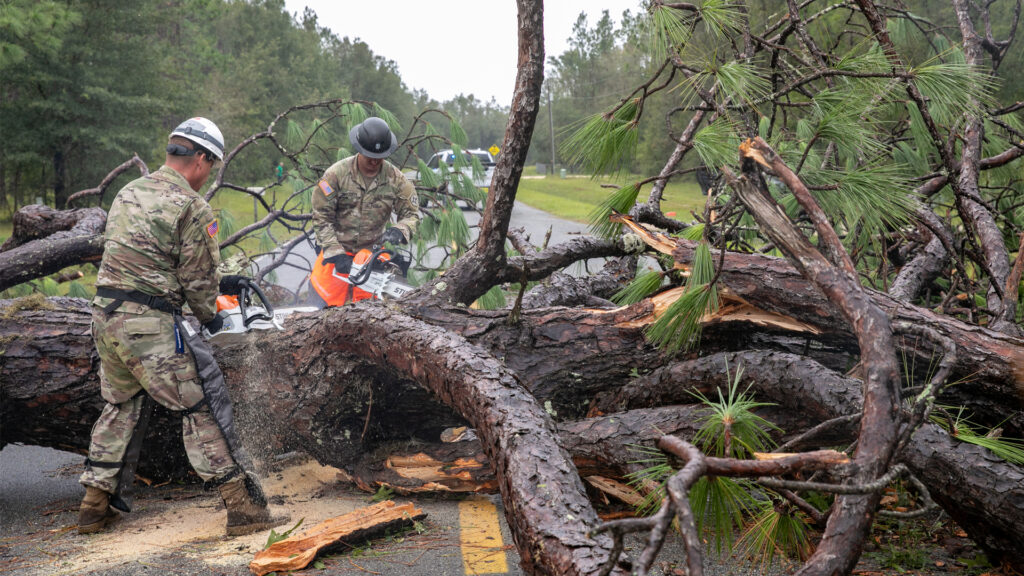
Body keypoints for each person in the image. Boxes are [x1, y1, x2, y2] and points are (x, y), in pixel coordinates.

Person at [78, 117, 288, 537]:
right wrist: (213, 316)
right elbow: (197, 286)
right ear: (201, 158)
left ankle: (93, 506)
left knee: (122, 406)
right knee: (201, 406)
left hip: (105, 317)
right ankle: (242, 507)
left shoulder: (129, 191)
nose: (207, 173)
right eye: (210, 165)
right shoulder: (193, 207)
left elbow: (142, 257)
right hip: (148, 324)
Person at [311, 116, 420, 276]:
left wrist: (400, 229)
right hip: (335, 255)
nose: (375, 162)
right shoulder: (335, 175)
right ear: (359, 148)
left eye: (379, 157)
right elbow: (321, 217)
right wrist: (335, 253)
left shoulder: (397, 180)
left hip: (372, 258)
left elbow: (412, 215)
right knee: (324, 299)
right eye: (370, 157)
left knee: (374, 300)